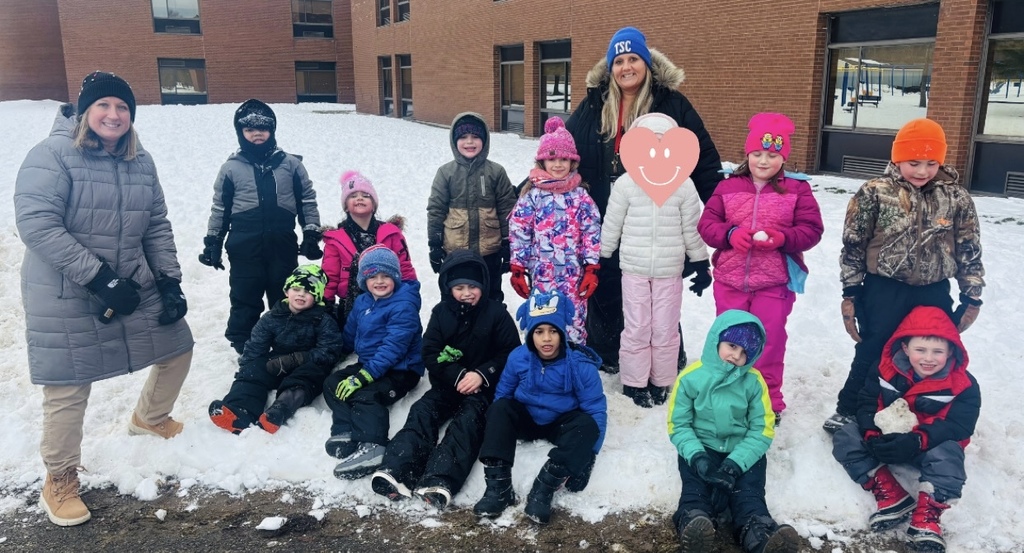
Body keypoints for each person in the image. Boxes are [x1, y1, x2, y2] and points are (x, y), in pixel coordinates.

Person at [14, 71, 194, 526]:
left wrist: (169, 281)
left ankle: (151, 417)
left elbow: (155, 224)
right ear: (84, 111)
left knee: (177, 343)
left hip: (130, 279)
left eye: (123, 108)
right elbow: (37, 225)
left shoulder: (140, 161)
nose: (114, 115)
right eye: (104, 106)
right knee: (69, 384)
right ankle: (59, 478)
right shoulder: (52, 155)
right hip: (65, 288)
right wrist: (97, 278)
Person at [566, 26, 722, 374]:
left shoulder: (671, 103)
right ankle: (608, 353)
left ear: (646, 64)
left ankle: (665, 357)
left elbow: (705, 161)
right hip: (607, 209)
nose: (626, 67)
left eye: (633, 58)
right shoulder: (594, 103)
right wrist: (533, 187)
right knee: (606, 281)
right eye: (618, 61)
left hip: (656, 215)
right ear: (611, 68)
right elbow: (562, 150)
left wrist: (723, 209)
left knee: (655, 290)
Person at [823, 118, 985, 434]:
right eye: (914, 162)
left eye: (931, 162)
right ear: (897, 158)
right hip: (883, 287)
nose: (922, 171)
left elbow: (969, 246)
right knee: (874, 346)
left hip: (933, 289)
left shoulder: (956, 197)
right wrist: (851, 291)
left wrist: (972, 295)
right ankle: (850, 408)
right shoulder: (875, 192)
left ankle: (919, 410)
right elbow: (854, 243)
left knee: (929, 350)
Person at [370, 250, 520, 510]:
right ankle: (397, 469)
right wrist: (456, 374)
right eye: (459, 287)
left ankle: (440, 478)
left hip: (482, 389)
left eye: (473, 286)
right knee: (422, 411)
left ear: (483, 286)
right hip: (448, 384)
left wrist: (482, 374)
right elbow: (430, 351)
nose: (467, 293)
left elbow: (511, 353)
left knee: (469, 422)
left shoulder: (496, 313)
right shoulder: (441, 313)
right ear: (448, 288)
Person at [697, 113, 824, 420]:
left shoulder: (797, 190)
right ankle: (725, 393)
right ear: (747, 154)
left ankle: (766, 398)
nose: (763, 161)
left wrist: (782, 238)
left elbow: (811, 229)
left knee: (769, 339)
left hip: (775, 282)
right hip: (730, 278)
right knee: (730, 338)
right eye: (757, 154)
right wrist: (730, 235)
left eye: (772, 155)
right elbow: (707, 224)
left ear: (784, 157)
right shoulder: (728, 187)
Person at [831, 306, 979, 553]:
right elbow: (868, 400)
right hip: (888, 435)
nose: (928, 358)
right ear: (905, 347)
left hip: (928, 444)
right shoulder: (885, 368)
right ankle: (890, 494)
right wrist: (871, 433)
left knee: (949, 455)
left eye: (938, 351)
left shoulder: (963, 384)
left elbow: (959, 425)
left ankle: (928, 516)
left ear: (951, 350)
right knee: (846, 434)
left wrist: (917, 440)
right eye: (920, 350)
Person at [600, 112, 712, 408]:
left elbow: (692, 227)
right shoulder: (625, 184)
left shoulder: (684, 186)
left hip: (669, 271)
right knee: (637, 326)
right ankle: (634, 382)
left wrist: (701, 263)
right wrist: (601, 255)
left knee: (665, 327)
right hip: (634, 269)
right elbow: (612, 222)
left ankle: (661, 379)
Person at [199, 98, 324, 354]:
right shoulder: (231, 168)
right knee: (246, 294)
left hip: (282, 242)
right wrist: (213, 242)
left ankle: (285, 339)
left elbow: (307, 201)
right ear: (240, 133)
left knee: (284, 293)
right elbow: (220, 209)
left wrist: (311, 233)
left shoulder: (291, 165)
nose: (257, 134)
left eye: (263, 128)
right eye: (250, 129)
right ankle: (245, 344)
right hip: (244, 245)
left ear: (272, 130)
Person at [668, 310, 798, 553]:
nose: (736, 355)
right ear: (716, 339)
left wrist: (736, 464)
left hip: (742, 451)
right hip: (702, 448)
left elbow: (762, 429)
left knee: (749, 493)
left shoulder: (753, 382)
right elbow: (679, 425)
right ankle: (694, 524)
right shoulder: (690, 378)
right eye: (731, 345)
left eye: (744, 352)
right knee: (695, 489)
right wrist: (697, 457)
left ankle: (758, 534)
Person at [472, 290, 607, 525]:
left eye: (553, 331)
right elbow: (503, 393)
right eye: (539, 332)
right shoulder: (518, 358)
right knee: (499, 408)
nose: (547, 339)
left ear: (562, 333)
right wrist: (498, 429)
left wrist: (589, 455)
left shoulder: (580, 365)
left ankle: (543, 489)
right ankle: (498, 488)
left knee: (587, 425)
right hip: (527, 418)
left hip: (560, 422)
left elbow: (596, 410)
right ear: (530, 335)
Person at [324, 245, 423, 480]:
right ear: (364, 280)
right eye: (373, 277)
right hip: (371, 363)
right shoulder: (363, 302)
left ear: (395, 277)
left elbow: (394, 348)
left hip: (401, 369)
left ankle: (373, 446)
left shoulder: (403, 305)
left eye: (386, 276)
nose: (379, 281)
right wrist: (336, 354)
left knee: (366, 394)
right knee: (333, 382)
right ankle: (345, 429)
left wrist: (364, 376)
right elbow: (350, 333)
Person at [208, 264, 344, 434]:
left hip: (308, 363)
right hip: (277, 362)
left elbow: (330, 350)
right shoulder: (273, 317)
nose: (301, 294)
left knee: (303, 381)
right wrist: (249, 368)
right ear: (287, 291)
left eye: (308, 291)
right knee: (253, 372)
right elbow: (256, 344)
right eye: (296, 288)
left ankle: (278, 411)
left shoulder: (323, 320)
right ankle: (238, 410)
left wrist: (297, 359)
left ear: (316, 297)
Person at [508, 117, 602, 343]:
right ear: (542, 162)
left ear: (573, 162)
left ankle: (574, 363)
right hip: (542, 276)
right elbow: (519, 231)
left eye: (564, 159)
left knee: (573, 321)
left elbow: (592, 232)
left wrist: (591, 267)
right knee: (544, 321)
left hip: (573, 277)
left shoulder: (581, 197)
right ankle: (543, 365)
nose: (558, 164)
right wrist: (518, 268)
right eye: (552, 159)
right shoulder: (532, 196)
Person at [426, 112, 517, 302]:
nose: (470, 142)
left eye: (475, 137)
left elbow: (507, 210)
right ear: (454, 141)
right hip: (456, 250)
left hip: (489, 251)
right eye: (463, 137)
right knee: (457, 294)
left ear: (484, 140)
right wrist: (435, 245)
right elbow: (436, 209)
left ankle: (492, 328)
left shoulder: (496, 172)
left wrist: (509, 244)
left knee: (490, 295)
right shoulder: (446, 173)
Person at [321, 170, 416, 325]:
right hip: (350, 304)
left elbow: (405, 268)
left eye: (366, 195)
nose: (359, 198)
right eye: (353, 196)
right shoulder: (335, 240)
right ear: (345, 206)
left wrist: (409, 298)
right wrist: (325, 304)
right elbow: (329, 276)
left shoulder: (391, 234)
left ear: (374, 205)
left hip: (389, 300)